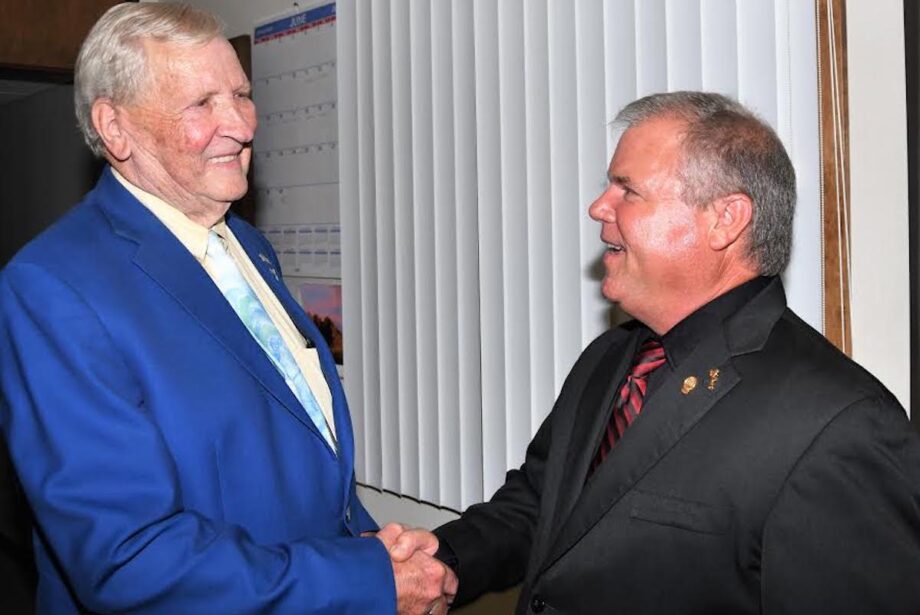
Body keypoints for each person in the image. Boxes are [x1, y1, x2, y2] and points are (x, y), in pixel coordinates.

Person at [0, 3, 454, 613]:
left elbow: (289, 450)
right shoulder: (51, 288)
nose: (240, 123)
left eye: (240, 94)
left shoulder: (245, 244)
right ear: (115, 127)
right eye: (202, 103)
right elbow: (129, 561)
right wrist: (363, 580)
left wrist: (373, 547)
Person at [393, 91, 920, 613]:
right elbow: (542, 507)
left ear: (725, 220)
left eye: (628, 190)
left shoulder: (839, 424)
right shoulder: (610, 358)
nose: (599, 206)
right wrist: (448, 558)